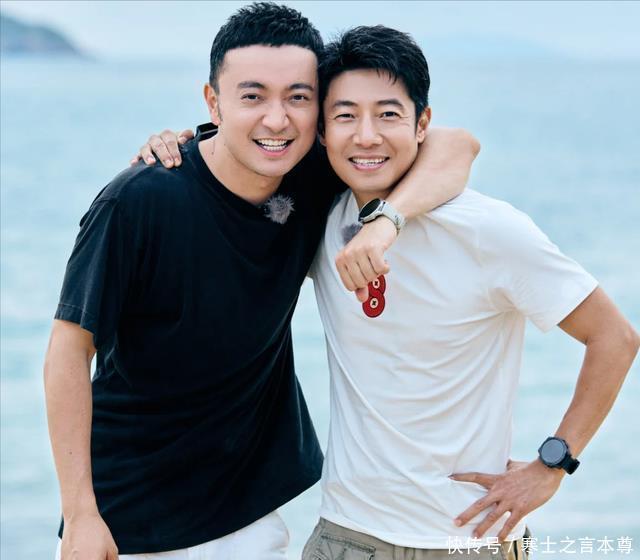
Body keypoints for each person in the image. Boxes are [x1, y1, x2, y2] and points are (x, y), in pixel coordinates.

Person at [145, 24, 639, 560]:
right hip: (346, 536)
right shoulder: (319, 218)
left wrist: (553, 465)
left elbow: (614, 338)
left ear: (422, 123)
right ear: (322, 131)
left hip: (467, 540)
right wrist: (182, 150)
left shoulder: (488, 230)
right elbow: (235, 174)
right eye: (345, 116)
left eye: (388, 114)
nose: (366, 136)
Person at [44, 4, 478, 560]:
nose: (277, 120)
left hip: (250, 517)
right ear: (213, 102)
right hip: (129, 518)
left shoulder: (312, 176)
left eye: (298, 98)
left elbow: (456, 144)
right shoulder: (138, 200)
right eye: (252, 97)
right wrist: (81, 514)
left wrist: (384, 224)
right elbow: (68, 350)